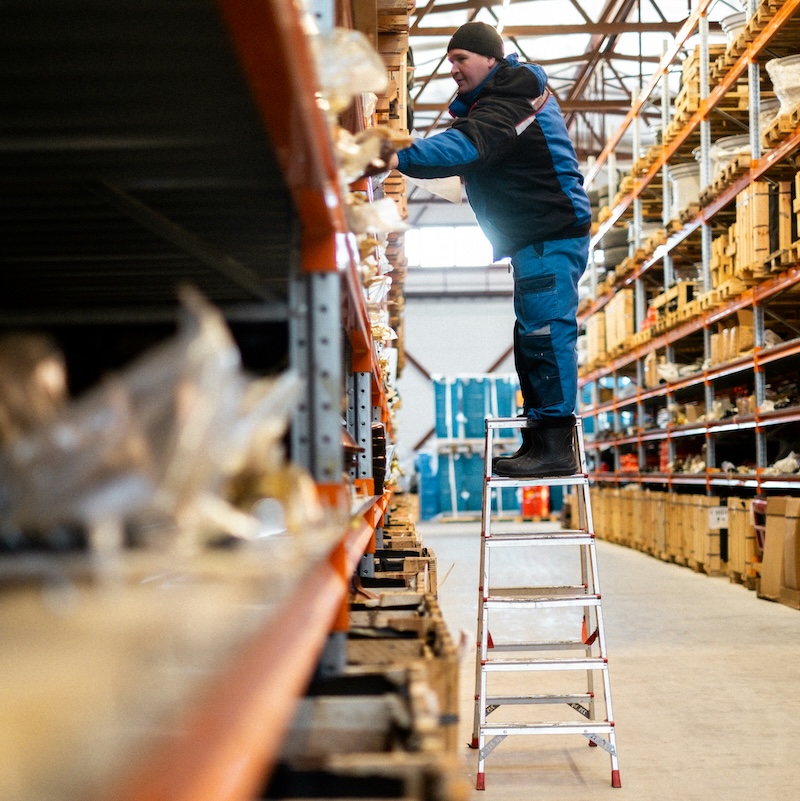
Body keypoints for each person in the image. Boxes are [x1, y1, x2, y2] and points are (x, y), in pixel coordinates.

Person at [387, 21, 591, 478]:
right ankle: (539, 440)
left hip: (550, 232)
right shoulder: (497, 100)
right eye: (450, 60)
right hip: (534, 237)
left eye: (461, 58)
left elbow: (469, 145)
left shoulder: (514, 94)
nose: (453, 68)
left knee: (546, 334)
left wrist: (396, 155)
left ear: (491, 59)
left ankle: (557, 448)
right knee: (530, 338)